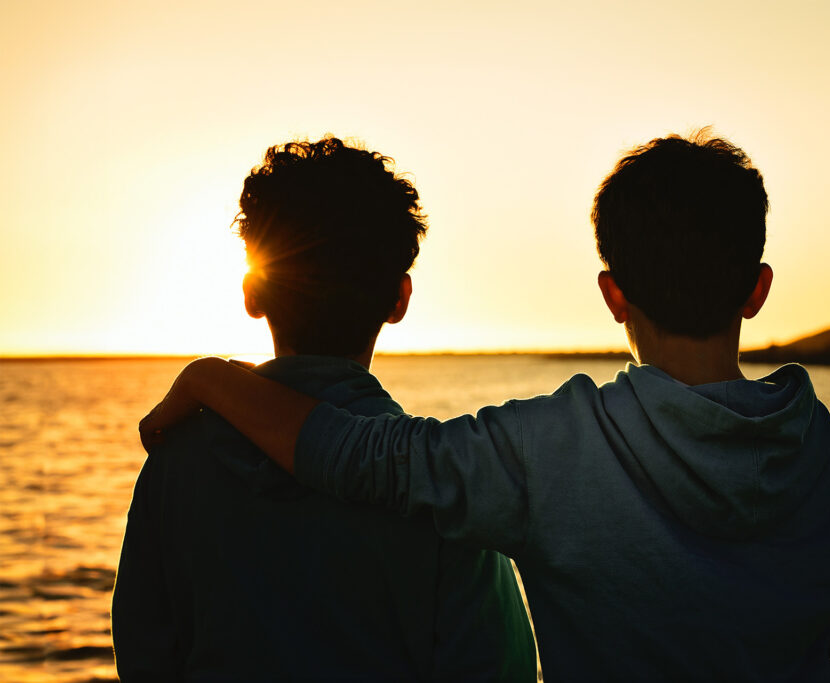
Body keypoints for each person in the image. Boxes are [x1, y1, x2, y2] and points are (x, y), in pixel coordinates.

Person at [141, 130, 830, 681]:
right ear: (758, 288)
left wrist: (214, 377)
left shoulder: (537, 454)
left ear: (612, 296)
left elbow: (359, 459)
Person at [113, 137, 536, 681]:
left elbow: (144, 653)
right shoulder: (437, 492)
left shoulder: (174, 467)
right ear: (399, 300)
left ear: (252, 294)